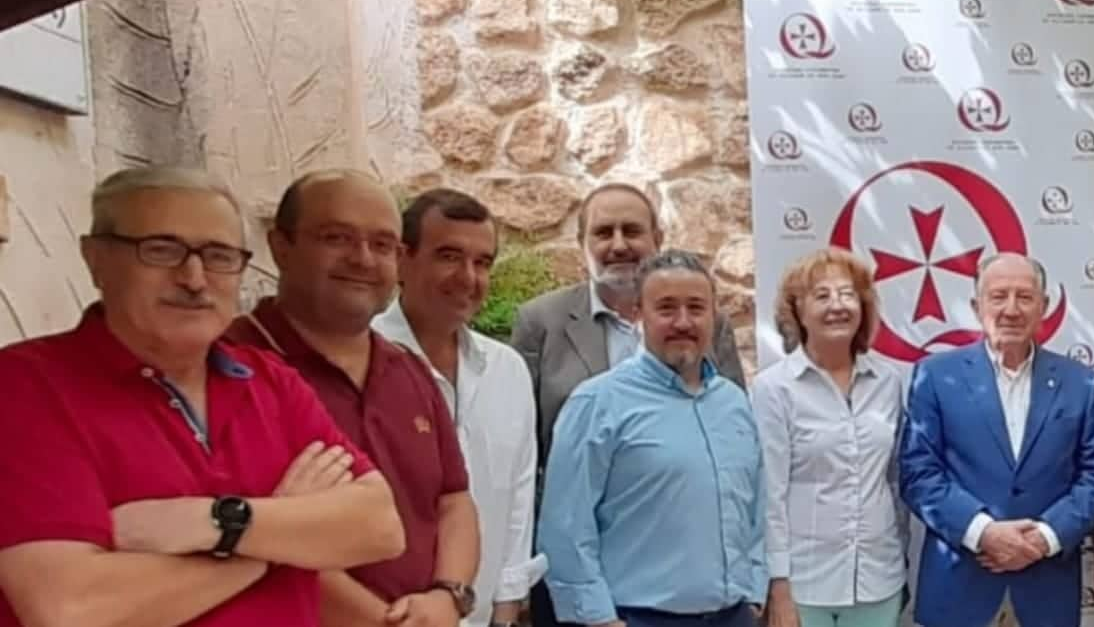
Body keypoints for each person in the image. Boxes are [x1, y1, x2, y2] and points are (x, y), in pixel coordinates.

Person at [0, 167, 404, 627]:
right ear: (96, 260)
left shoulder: (270, 381)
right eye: (162, 250)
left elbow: (379, 526)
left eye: (218, 255)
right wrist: (271, 546)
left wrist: (213, 523)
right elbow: (72, 611)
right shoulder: (26, 387)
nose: (194, 278)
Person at [226, 169, 482, 627]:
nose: (363, 259)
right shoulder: (230, 369)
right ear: (280, 246)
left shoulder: (408, 369)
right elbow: (262, 538)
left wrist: (449, 596)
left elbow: (453, 500)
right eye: (336, 237)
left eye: (382, 244)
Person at [515, 183, 746, 627]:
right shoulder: (541, 322)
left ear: (657, 239)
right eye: (603, 233)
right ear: (582, 244)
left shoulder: (706, 326)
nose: (618, 245)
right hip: (581, 576)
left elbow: (731, 439)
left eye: (632, 231)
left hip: (685, 576)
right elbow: (526, 451)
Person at [899, 253, 1094, 627]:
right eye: (998, 296)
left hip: (1046, 588)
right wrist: (983, 533)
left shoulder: (1080, 383)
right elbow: (919, 474)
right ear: (976, 305)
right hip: (960, 589)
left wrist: (1043, 539)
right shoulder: (935, 377)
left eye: (1025, 297)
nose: (1011, 309)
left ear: (1044, 306)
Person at [373, 189, 546, 627]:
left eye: (483, 262)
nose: (468, 277)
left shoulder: (506, 369)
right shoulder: (361, 362)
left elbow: (518, 496)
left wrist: (506, 608)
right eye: (449, 256)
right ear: (402, 259)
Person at [753, 249, 909, 627]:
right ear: (798, 312)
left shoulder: (889, 382)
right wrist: (778, 587)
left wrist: (900, 558)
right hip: (805, 586)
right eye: (822, 296)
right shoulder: (773, 388)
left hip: (879, 581)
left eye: (848, 294)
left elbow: (894, 481)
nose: (837, 306)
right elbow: (769, 494)